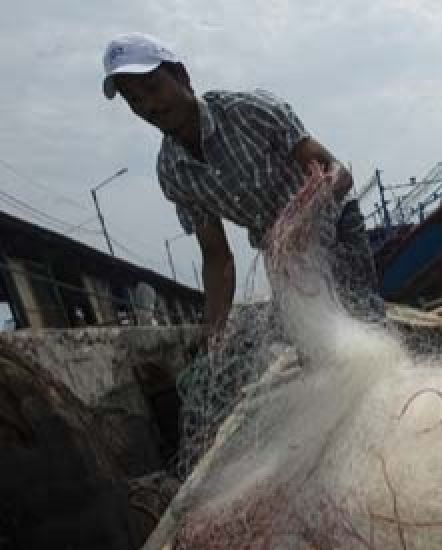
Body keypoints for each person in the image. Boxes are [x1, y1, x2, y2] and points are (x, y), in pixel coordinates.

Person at [101, 32, 380, 334]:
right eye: (134, 100)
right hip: (281, 254)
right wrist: (213, 331)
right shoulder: (173, 173)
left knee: (363, 318)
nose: (149, 106)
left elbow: (337, 173)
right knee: (310, 343)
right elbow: (216, 256)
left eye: (152, 87)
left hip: (334, 223)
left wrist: (303, 218)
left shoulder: (250, 112)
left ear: (181, 76)